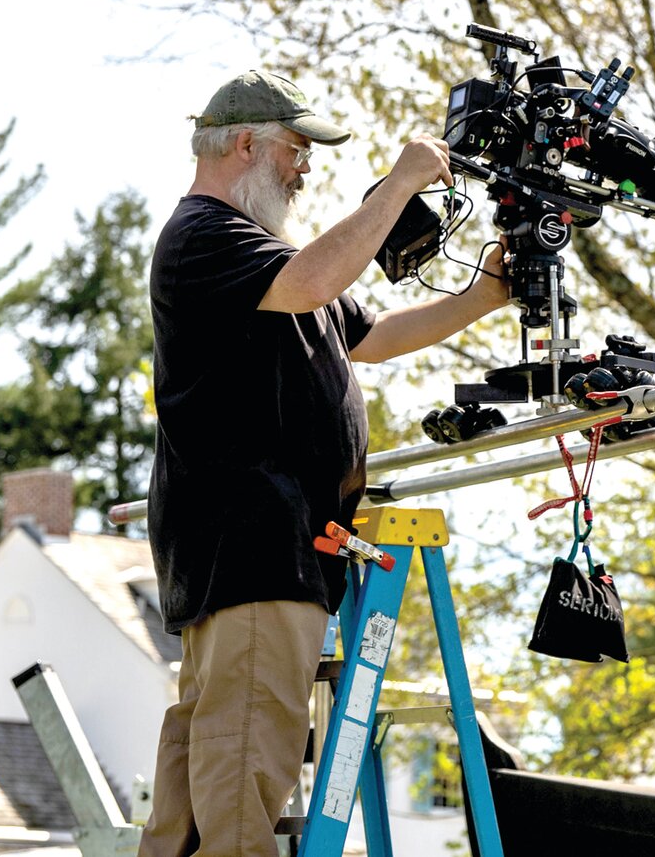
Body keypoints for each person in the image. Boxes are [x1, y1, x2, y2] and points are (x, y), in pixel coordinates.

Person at [138, 70, 509, 857]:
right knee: (242, 795)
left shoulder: (260, 255)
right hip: (254, 554)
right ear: (247, 144)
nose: (306, 169)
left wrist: (486, 293)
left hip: (258, 556)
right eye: (297, 150)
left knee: (195, 804)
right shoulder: (206, 236)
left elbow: (369, 336)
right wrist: (402, 182)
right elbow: (314, 280)